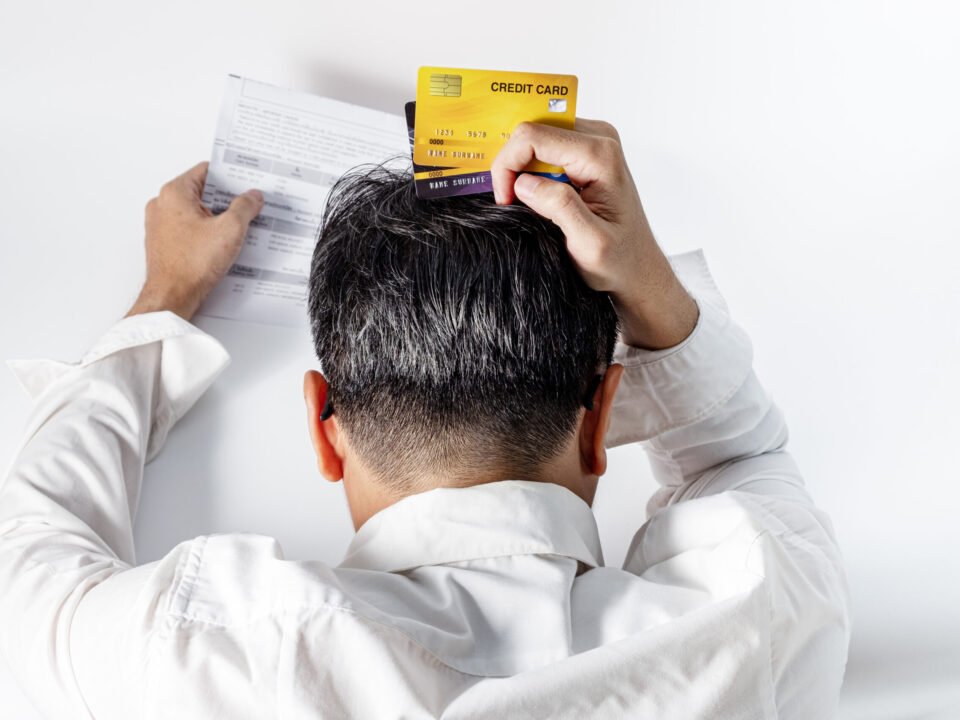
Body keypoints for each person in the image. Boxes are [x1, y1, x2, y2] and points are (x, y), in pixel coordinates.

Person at [0, 119, 850, 719]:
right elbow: (740, 460)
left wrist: (166, 298)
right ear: (601, 422)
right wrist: (654, 287)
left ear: (322, 426)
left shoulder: (207, 653)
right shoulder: (758, 628)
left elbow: (28, 556)